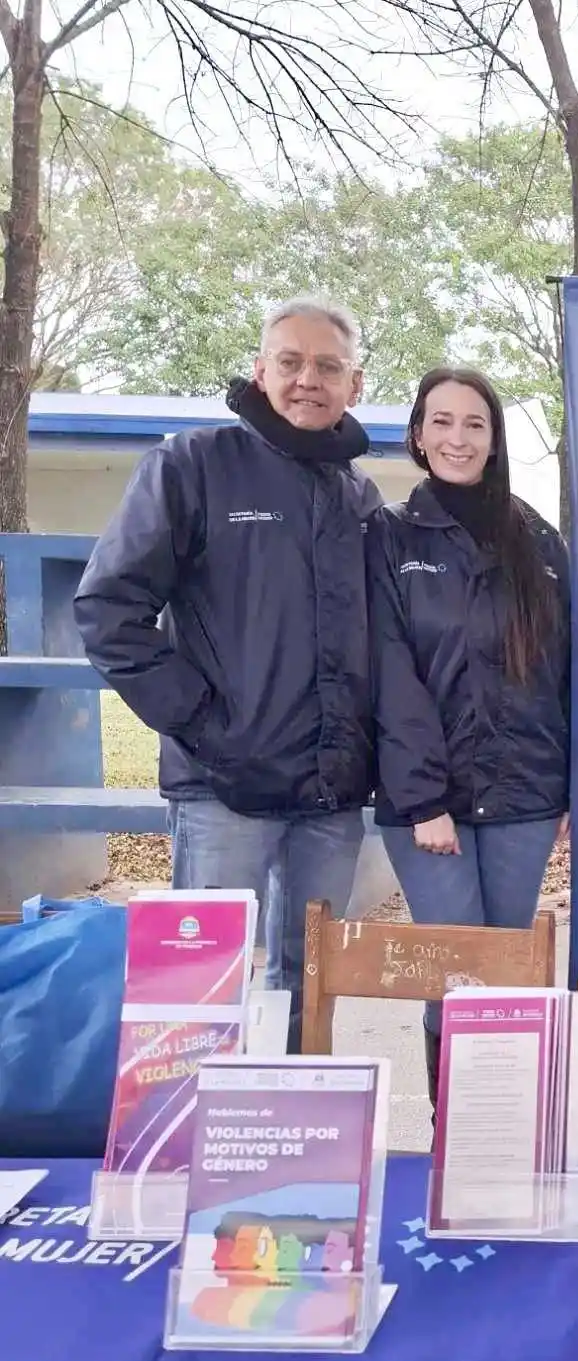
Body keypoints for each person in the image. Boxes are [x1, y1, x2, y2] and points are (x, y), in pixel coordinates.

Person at [75, 297, 381, 1050]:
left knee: (310, 983)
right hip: (223, 789)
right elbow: (109, 608)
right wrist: (207, 725)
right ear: (260, 370)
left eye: (328, 366)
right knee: (201, 986)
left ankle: (295, 1139)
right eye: (290, 361)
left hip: (330, 795)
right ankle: (184, 1148)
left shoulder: (360, 497)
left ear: (355, 384)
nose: (307, 379)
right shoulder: (193, 464)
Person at [368, 367, 571, 1107]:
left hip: (525, 795)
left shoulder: (538, 539)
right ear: (418, 435)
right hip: (430, 803)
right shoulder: (388, 536)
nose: (458, 437)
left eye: (475, 423)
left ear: (494, 438)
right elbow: (389, 674)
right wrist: (423, 799)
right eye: (442, 421)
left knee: (505, 970)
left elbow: (565, 666)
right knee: (454, 968)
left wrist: (569, 788)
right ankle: (450, 1134)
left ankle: (503, 1139)